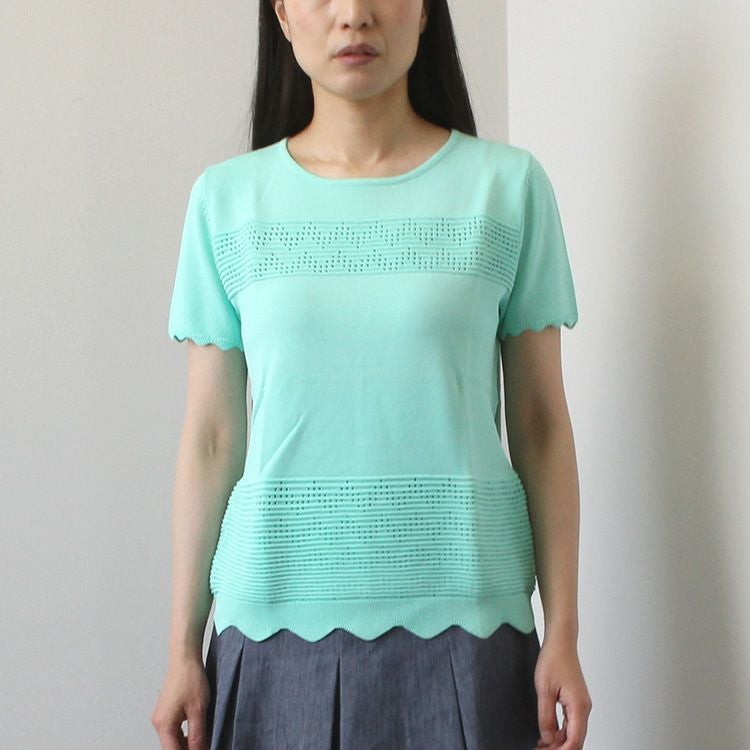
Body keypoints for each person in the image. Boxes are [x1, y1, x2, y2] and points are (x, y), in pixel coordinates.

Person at [151, 1, 592, 748]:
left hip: (471, 631)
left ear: (424, 12)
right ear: (282, 13)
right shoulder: (225, 203)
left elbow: (541, 426)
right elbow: (212, 439)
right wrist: (180, 651)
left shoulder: (506, 188)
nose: (353, 15)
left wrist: (564, 635)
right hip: (272, 635)